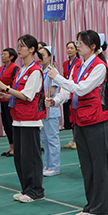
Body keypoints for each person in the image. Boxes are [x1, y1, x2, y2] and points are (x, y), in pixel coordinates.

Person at [48, 30, 108, 215]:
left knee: (99, 166)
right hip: (81, 120)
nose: (77, 46)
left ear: (93, 46)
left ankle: (101, 208)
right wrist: (56, 100)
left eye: (81, 43)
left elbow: (82, 89)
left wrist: (57, 77)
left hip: (96, 120)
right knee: (86, 166)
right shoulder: (78, 65)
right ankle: (91, 204)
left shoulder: (99, 66)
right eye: (77, 42)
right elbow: (68, 90)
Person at [0, 34, 46, 202]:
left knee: (31, 158)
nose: (19, 49)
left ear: (32, 49)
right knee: (20, 158)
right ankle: (26, 189)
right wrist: (6, 95)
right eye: (18, 45)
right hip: (17, 118)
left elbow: (27, 95)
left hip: (30, 120)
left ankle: (36, 191)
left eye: (22, 46)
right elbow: (18, 94)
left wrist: (6, 88)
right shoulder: (21, 70)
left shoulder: (35, 71)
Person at [39, 46, 62, 177]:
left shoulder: (52, 71)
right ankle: (47, 165)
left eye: (42, 55)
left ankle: (54, 167)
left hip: (51, 111)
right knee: (45, 140)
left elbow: (51, 91)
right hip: (42, 110)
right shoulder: (41, 71)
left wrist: (40, 101)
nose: (40, 57)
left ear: (50, 56)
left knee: (52, 139)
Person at [0, 47, 19, 157]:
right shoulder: (1, 68)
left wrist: (5, 89)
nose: (2, 56)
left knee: (11, 124)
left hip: (10, 99)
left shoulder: (15, 68)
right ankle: (11, 145)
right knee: (6, 124)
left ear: (11, 57)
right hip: (2, 99)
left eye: (5, 54)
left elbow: (15, 84)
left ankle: (16, 147)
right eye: (2, 54)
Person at [62, 41, 81, 149]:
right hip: (67, 93)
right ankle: (73, 139)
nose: (69, 50)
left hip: (75, 93)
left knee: (76, 116)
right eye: (67, 48)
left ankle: (77, 140)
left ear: (76, 50)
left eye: (71, 48)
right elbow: (63, 77)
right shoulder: (65, 63)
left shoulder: (79, 62)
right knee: (69, 118)